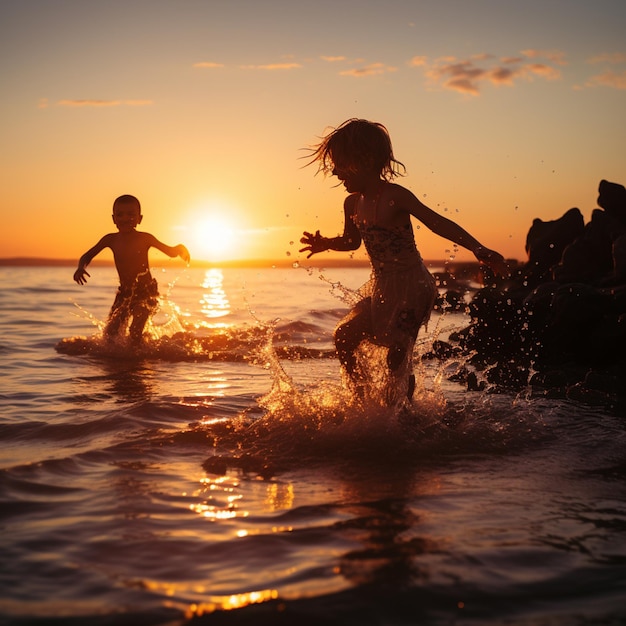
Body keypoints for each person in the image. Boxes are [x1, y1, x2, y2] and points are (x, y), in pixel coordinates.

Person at [300, 119, 507, 396]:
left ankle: (403, 416)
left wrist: (476, 247)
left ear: (366, 159)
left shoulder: (395, 197)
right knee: (344, 337)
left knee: (398, 355)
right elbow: (352, 241)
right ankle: (360, 399)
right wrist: (326, 243)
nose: (335, 172)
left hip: (413, 286)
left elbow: (436, 222)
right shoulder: (352, 203)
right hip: (382, 286)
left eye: (340, 164)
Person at [73, 194, 190, 343]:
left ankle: (138, 360)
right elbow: (87, 256)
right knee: (110, 333)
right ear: (113, 218)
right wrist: (80, 267)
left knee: (135, 331)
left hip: (147, 293)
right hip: (124, 294)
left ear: (139, 219)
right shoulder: (110, 239)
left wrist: (179, 249)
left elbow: (169, 251)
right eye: (120, 214)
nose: (125, 218)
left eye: (131, 214)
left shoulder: (145, 238)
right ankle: (122, 361)